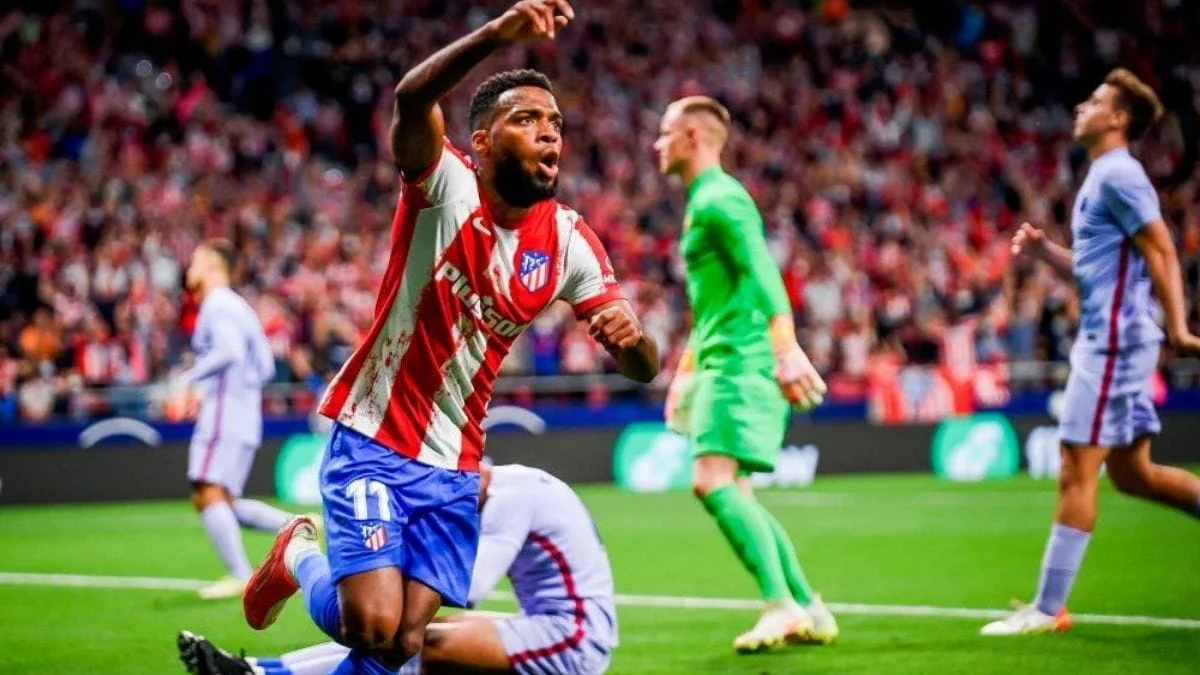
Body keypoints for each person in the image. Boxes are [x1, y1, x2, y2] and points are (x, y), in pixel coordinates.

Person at [241, 1, 659, 672]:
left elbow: (644, 368)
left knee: (404, 644)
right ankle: (298, 555)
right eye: (527, 119)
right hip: (376, 431)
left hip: (456, 460)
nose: (549, 133)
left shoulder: (569, 241)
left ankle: (280, 630)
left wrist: (631, 338)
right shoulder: (445, 184)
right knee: (370, 622)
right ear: (483, 142)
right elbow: (411, 99)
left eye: (556, 123)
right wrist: (497, 33)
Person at [981, 68, 1200, 636]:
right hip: (1114, 341)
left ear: (1118, 119)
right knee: (1134, 475)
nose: (1083, 106)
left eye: (1096, 100)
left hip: (1114, 345)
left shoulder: (1120, 175)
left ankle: (1047, 610)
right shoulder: (1103, 175)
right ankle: (1046, 607)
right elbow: (1095, 268)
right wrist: (1044, 252)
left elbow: (1162, 250)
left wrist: (1180, 329)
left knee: (1076, 468)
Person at [654, 96, 837, 654]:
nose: (657, 144)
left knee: (710, 481)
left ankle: (780, 606)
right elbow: (711, 304)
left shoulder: (720, 198)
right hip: (720, 358)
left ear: (692, 137)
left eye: (665, 133)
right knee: (736, 490)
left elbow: (762, 269)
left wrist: (786, 347)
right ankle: (807, 605)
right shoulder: (703, 201)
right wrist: (685, 372)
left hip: (739, 360)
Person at [180, 463, 617, 675]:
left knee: (415, 646)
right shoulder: (511, 483)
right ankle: (257, 669)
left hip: (575, 640)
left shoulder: (510, 500)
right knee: (407, 634)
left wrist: (390, 580)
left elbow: (471, 587)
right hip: (550, 621)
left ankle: (297, 568)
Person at [182, 238, 295, 600]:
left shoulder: (216, 303)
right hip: (244, 414)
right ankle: (296, 526)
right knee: (225, 500)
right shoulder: (240, 307)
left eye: (195, 262)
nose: (189, 270)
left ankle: (240, 575)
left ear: (212, 266)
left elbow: (228, 352)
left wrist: (189, 380)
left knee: (207, 491)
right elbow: (264, 366)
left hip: (224, 414)